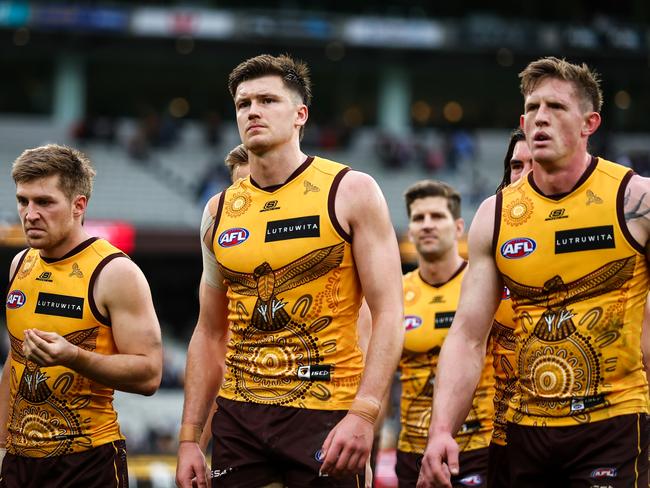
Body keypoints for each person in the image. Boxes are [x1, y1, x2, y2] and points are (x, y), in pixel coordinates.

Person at [417, 56, 650, 488]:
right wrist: (441, 430)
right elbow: (468, 335)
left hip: (614, 423)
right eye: (532, 108)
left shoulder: (636, 201)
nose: (540, 118)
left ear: (589, 123)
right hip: (522, 432)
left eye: (556, 108)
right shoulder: (498, 214)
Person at [175, 53, 403, 488]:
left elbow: (390, 312)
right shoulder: (219, 210)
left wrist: (365, 413)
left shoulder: (351, 191)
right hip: (238, 417)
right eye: (243, 104)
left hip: (326, 412)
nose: (253, 111)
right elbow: (208, 333)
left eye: (267, 100)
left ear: (301, 114)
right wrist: (189, 438)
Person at [1, 144, 163, 487]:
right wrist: (1, 446)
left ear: (79, 206)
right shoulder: (19, 264)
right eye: (23, 200)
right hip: (19, 461)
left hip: (87, 462)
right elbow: (13, 366)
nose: (29, 214)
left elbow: (149, 373)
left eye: (44, 202)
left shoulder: (115, 272)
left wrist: (73, 356)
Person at [397, 180, 494, 488]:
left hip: (480, 445)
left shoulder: (486, 285)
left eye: (437, 216)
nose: (427, 225)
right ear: (409, 230)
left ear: (458, 227)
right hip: (411, 448)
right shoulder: (394, 296)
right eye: (418, 218)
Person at [487, 129, 533, 488]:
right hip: (499, 437)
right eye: (516, 165)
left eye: (533, 163)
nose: (524, 174)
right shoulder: (490, 237)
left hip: (592, 427)